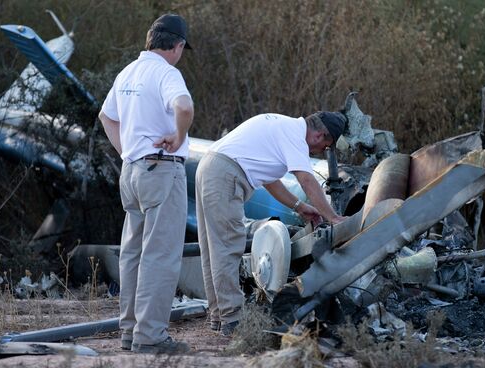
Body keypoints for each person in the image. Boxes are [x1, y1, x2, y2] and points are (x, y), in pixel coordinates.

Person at [195, 111, 348, 335]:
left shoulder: (284, 127)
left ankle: (220, 317)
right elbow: (306, 180)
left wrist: (299, 206)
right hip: (223, 173)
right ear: (320, 135)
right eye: (326, 147)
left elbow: (270, 180)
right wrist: (333, 217)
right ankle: (233, 321)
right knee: (227, 247)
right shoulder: (296, 137)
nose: (320, 152)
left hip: (211, 166)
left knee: (213, 249)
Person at [99, 13, 194, 354]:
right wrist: (178, 135)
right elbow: (184, 106)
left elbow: (106, 116)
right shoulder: (166, 73)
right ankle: (150, 336)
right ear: (177, 45)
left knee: (132, 255)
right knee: (161, 255)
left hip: (132, 173)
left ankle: (129, 332)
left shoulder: (128, 72)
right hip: (161, 170)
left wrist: (127, 152)